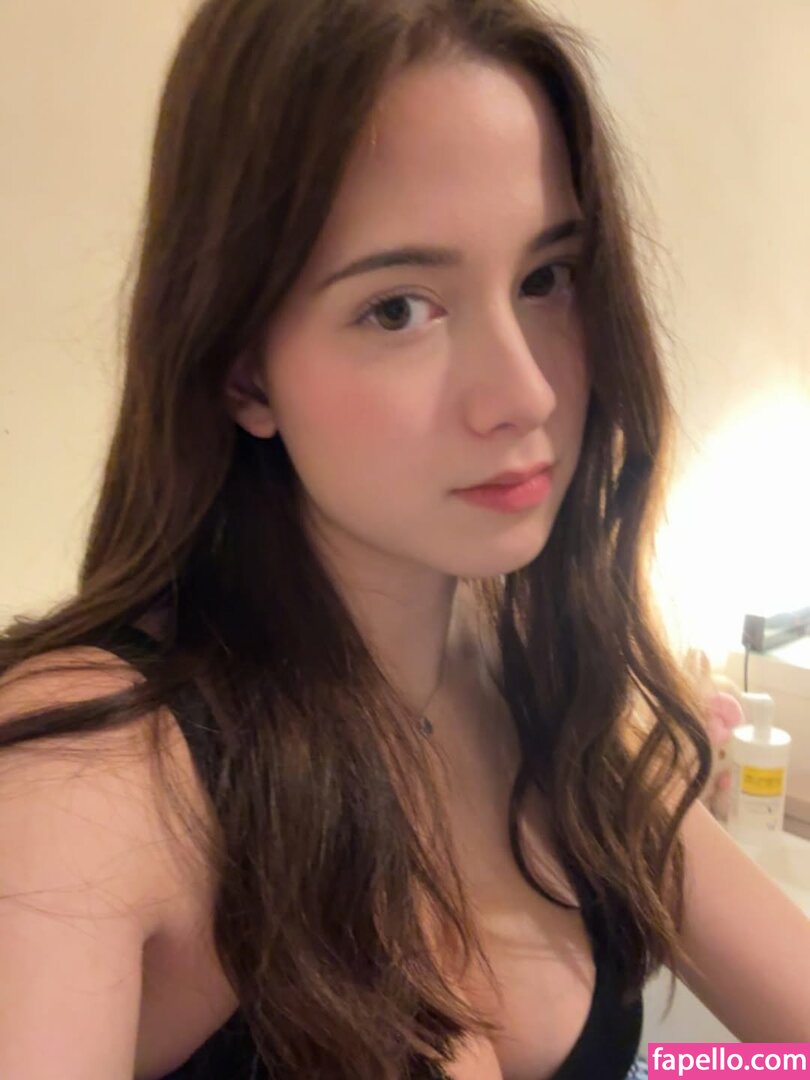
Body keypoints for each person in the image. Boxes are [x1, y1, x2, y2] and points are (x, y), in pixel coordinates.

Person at [1, 1, 808, 1077]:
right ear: (244, 371)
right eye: (398, 309)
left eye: (545, 279)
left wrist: (697, 1076)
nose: (523, 393)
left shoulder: (549, 690)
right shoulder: (90, 778)